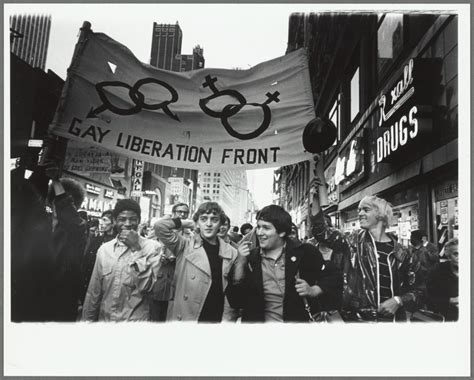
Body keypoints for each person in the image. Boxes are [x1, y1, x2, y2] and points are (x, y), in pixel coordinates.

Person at [310, 178, 425, 321]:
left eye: (366, 209)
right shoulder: (351, 242)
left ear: (381, 214)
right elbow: (322, 232)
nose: (360, 214)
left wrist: (398, 301)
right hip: (357, 322)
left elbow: (420, 290)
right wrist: (315, 197)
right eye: (359, 210)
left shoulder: (403, 252)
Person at [11, 158, 88, 322]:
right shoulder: (37, 223)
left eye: (71, 204)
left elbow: (67, 212)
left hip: (58, 301)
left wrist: (55, 181)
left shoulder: (78, 228)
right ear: (50, 201)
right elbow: (24, 198)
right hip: (28, 297)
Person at [226, 205, 331, 322]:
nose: (259, 233)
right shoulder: (250, 258)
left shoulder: (306, 253)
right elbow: (235, 301)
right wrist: (240, 263)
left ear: (281, 232)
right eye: (258, 227)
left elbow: (333, 278)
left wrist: (313, 290)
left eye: (266, 228)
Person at [154, 201, 239, 322]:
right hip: (187, 316)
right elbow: (160, 226)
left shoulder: (231, 252)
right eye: (204, 219)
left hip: (215, 316)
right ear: (197, 223)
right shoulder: (184, 245)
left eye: (214, 220)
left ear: (220, 224)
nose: (209, 224)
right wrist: (189, 222)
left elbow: (229, 292)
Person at [82, 199, 161, 321]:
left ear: (139, 221)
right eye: (122, 219)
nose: (128, 223)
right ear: (114, 221)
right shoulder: (104, 250)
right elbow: (94, 292)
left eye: (133, 219)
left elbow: (147, 287)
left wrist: (136, 249)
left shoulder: (153, 248)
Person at [150, 203, 193, 322]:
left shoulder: (191, 235)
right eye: (179, 211)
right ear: (173, 213)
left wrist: (179, 257)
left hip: (177, 277)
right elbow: (148, 247)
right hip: (159, 275)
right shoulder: (160, 229)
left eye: (185, 212)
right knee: (155, 314)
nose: (182, 214)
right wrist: (158, 256)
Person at [80, 210, 115, 304]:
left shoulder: (117, 242)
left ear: (113, 222)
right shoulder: (97, 239)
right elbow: (87, 260)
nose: (101, 223)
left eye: (105, 220)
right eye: (101, 220)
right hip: (92, 280)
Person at [426, 238, 458, 321]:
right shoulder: (438, 271)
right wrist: (449, 301)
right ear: (449, 256)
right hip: (446, 318)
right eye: (456, 254)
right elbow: (428, 297)